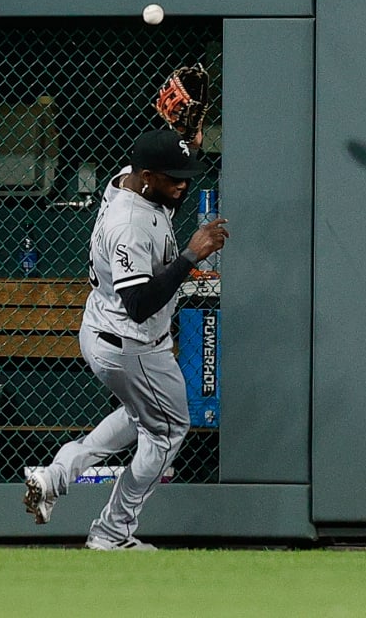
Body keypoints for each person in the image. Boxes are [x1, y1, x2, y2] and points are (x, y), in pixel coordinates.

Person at [23, 128, 229, 550]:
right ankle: (113, 533)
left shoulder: (129, 178)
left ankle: (54, 476)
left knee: (142, 416)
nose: (183, 185)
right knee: (169, 429)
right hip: (131, 342)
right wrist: (192, 255)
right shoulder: (130, 224)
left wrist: (187, 137)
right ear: (149, 177)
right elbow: (139, 302)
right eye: (174, 179)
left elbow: (168, 168)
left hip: (103, 329)